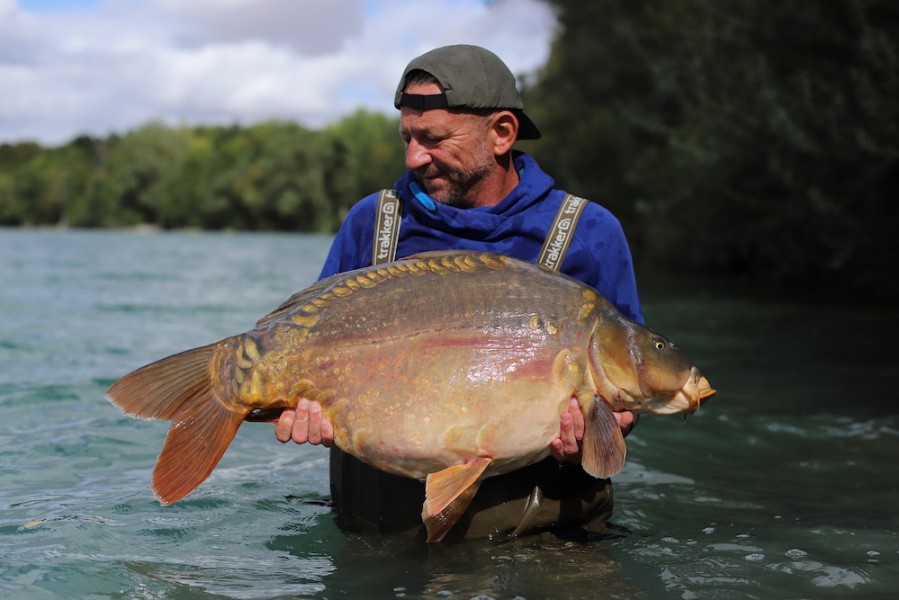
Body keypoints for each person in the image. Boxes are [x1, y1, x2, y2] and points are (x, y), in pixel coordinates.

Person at [275, 44, 643, 539]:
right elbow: (312, 348)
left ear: (501, 133)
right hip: (377, 535)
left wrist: (602, 429)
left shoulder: (589, 232)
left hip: (544, 539)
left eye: (433, 138)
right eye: (407, 137)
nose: (413, 157)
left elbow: (628, 386)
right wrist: (297, 407)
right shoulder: (374, 221)